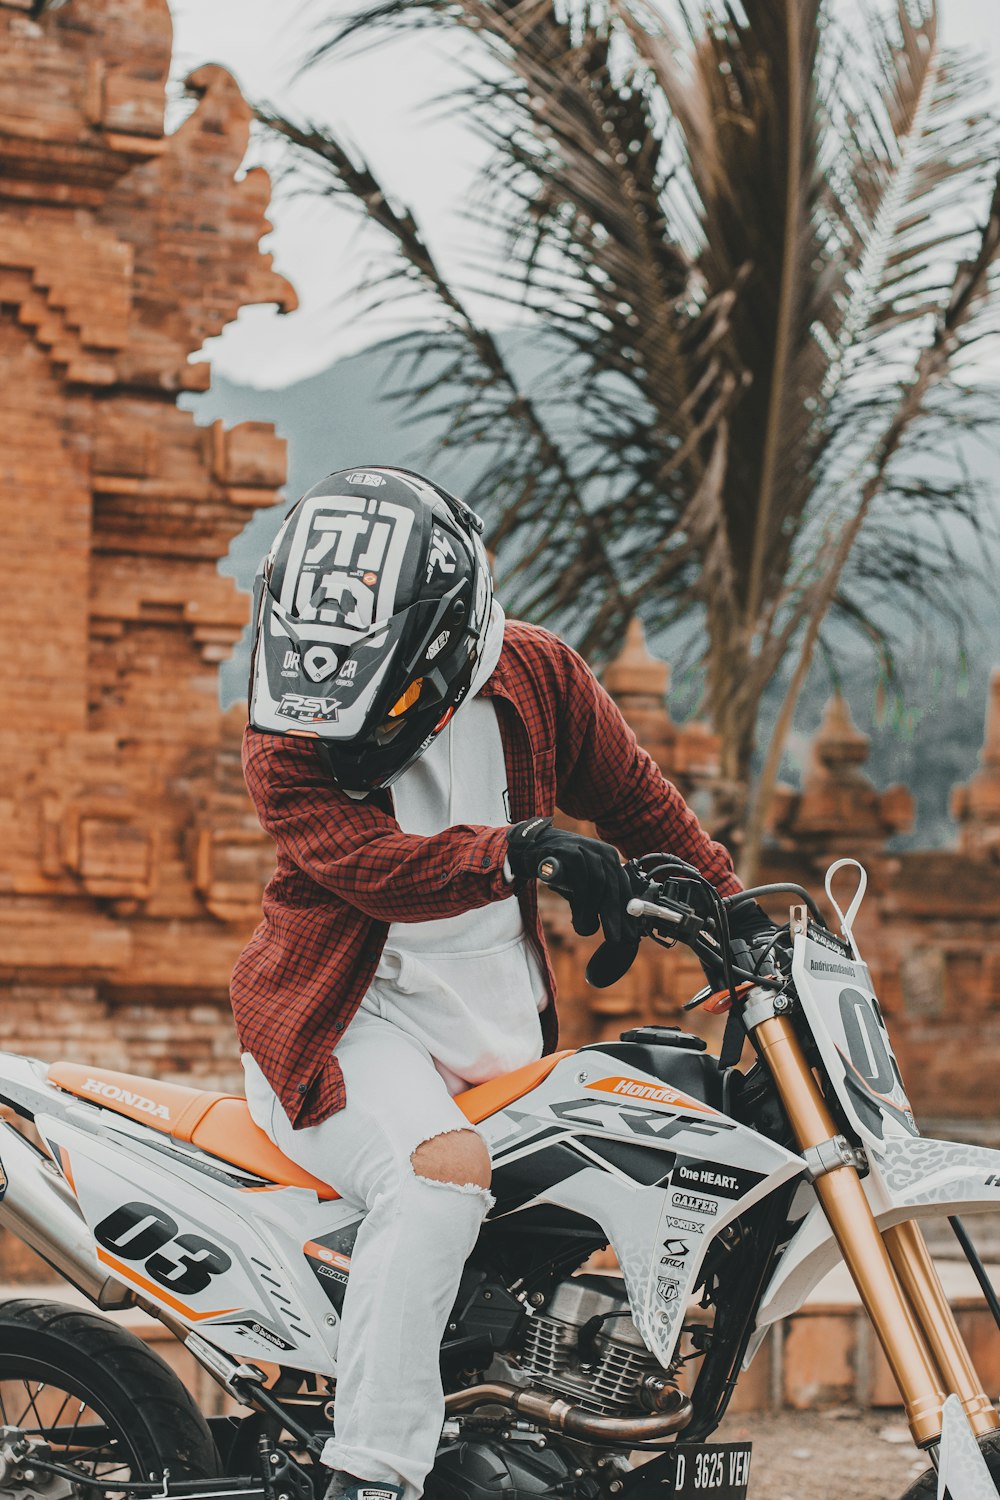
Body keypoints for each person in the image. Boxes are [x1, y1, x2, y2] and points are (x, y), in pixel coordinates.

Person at [231, 466, 769, 1500]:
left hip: (494, 1033)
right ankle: (371, 1473)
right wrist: (520, 853)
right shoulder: (289, 728)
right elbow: (371, 868)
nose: (362, 733)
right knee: (439, 1176)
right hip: (345, 1024)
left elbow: (641, 805)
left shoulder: (538, 676)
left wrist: (736, 916)